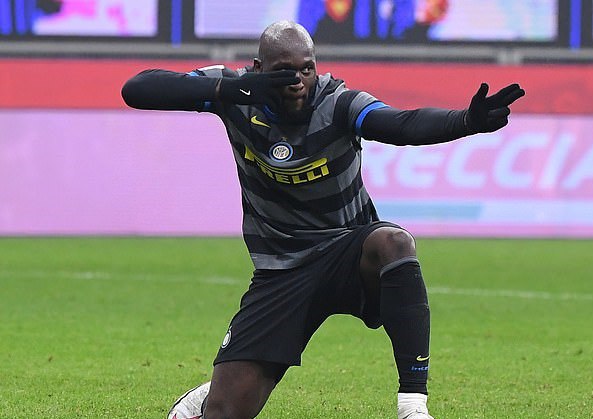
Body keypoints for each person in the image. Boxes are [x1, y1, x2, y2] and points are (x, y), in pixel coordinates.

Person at [121, 20, 524, 419]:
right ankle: (213, 392)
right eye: (284, 71)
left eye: (307, 69)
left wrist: (466, 121)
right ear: (259, 69)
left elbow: (401, 125)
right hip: (282, 270)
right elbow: (137, 88)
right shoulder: (236, 93)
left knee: (394, 243)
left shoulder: (339, 103)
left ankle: (412, 407)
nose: (297, 80)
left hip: (348, 251)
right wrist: (232, 89)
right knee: (227, 412)